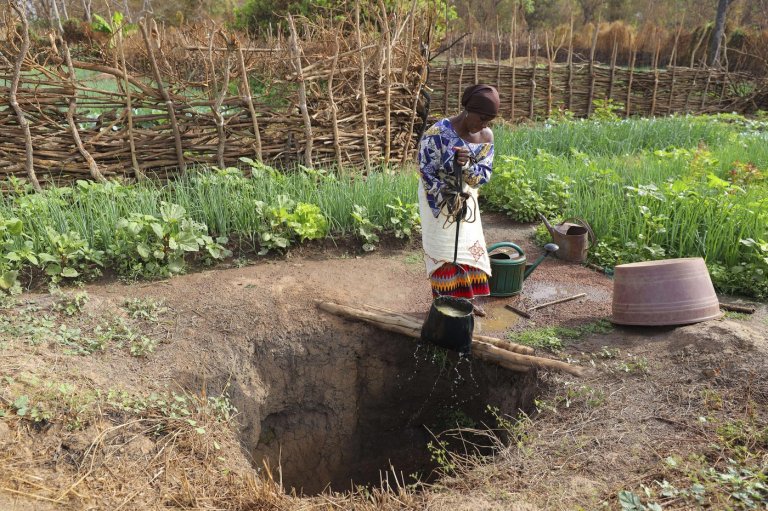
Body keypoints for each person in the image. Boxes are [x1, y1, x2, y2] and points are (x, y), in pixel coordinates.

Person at [417, 84, 499, 316]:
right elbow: (425, 170)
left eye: (489, 121)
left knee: (468, 248)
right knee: (442, 250)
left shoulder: (486, 136)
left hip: (466, 198)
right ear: (468, 110)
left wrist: (466, 166)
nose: (484, 125)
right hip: (437, 199)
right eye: (481, 118)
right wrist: (447, 193)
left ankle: (466, 302)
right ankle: (444, 304)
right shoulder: (438, 132)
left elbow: (484, 175)